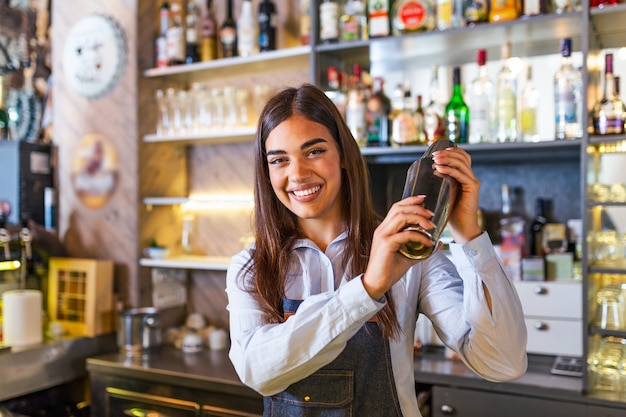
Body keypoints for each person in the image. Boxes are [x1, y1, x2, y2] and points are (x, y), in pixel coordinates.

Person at [226, 83, 527, 417]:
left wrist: (468, 233)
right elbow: (256, 372)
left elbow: (502, 362)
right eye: (279, 159)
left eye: (314, 151)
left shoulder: (408, 253)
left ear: (342, 156)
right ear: (266, 173)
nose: (297, 173)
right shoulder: (252, 266)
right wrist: (367, 289)